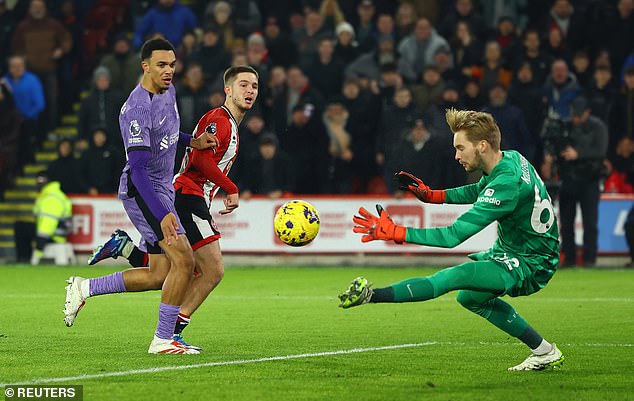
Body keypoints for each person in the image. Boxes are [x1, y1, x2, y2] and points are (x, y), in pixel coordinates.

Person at [339, 108, 565, 371]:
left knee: (452, 277)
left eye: (460, 148)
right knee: (469, 298)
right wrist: (432, 196)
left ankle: (372, 295)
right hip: (519, 250)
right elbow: (480, 189)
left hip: (530, 261)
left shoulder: (506, 184)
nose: (456, 155)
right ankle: (544, 351)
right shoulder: (511, 159)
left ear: (482, 145)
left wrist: (398, 233)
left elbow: (452, 236)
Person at [82, 65, 259, 350]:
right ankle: (170, 334)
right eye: (243, 85)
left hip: (187, 195)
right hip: (187, 194)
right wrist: (231, 186)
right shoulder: (220, 119)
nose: (250, 91)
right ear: (228, 89)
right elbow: (201, 161)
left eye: (254, 86)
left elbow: (181, 139)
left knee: (166, 271)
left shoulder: (230, 124)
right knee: (212, 270)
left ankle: (126, 250)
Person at [62, 38, 217, 355]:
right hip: (143, 190)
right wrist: (162, 214)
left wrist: (193, 142)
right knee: (185, 261)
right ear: (144, 66)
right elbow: (137, 171)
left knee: (160, 274)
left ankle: (84, 287)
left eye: (172, 64)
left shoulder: (167, 90)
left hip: (161, 187)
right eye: (161, 65)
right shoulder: (136, 109)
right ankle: (163, 339)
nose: (169, 71)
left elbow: (168, 135)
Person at [547, 97, 608, 267]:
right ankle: (570, 259)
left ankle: (590, 259)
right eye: (574, 115)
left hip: (590, 181)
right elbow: (556, 146)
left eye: (578, 115)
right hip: (569, 180)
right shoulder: (565, 126)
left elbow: (600, 150)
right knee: (566, 223)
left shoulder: (598, 127)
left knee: (590, 222)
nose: (575, 119)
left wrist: (578, 154)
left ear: (587, 112)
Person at [13, 170, 72, 265]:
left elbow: (48, 223)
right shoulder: (51, 194)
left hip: (54, 235)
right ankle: (24, 258)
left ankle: (24, 259)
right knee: (22, 225)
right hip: (56, 233)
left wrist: (39, 249)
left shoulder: (51, 198)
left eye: (39, 182)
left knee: (20, 227)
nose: (37, 184)